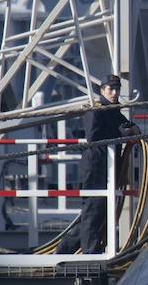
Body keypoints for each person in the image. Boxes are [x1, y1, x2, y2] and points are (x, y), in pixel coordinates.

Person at [58, 74, 138, 255]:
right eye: (110, 89)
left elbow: (125, 124)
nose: (114, 92)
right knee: (94, 209)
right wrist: (121, 133)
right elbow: (93, 137)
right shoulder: (96, 109)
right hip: (95, 167)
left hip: (107, 167)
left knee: (98, 211)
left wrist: (133, 129)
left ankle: (65, 250)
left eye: (117, 89)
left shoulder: (113, 110)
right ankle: (89, 252)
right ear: (102, 90)